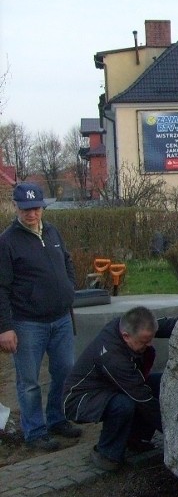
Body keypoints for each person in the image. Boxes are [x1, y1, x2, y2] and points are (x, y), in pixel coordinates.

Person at [0, 182, 81, 451]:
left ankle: (57, 419)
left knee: (64, 372)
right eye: (26, 209)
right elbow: (1, 288)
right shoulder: (7, 242)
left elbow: (66, 261)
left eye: (36, 208)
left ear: (42, 208)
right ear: (17, 208)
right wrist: (5, 327)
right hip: (27, 324)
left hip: (61, 319)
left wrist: (69, 288)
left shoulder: (52, 231)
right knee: (29, 382)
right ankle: (35, 432)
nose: (31, 214)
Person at [62, 306, 178, 471]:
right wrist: (174, 433)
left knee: (161, 382)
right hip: (80, 398)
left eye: (151, 338)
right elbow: (143, 399)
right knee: (124, 404)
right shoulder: (112, 356)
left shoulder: (131, 325)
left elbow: (166, 325)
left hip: (110, 387)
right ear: (126, 336)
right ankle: (106, 453)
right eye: (144, 342)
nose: (149, 344)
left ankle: (135, 439)